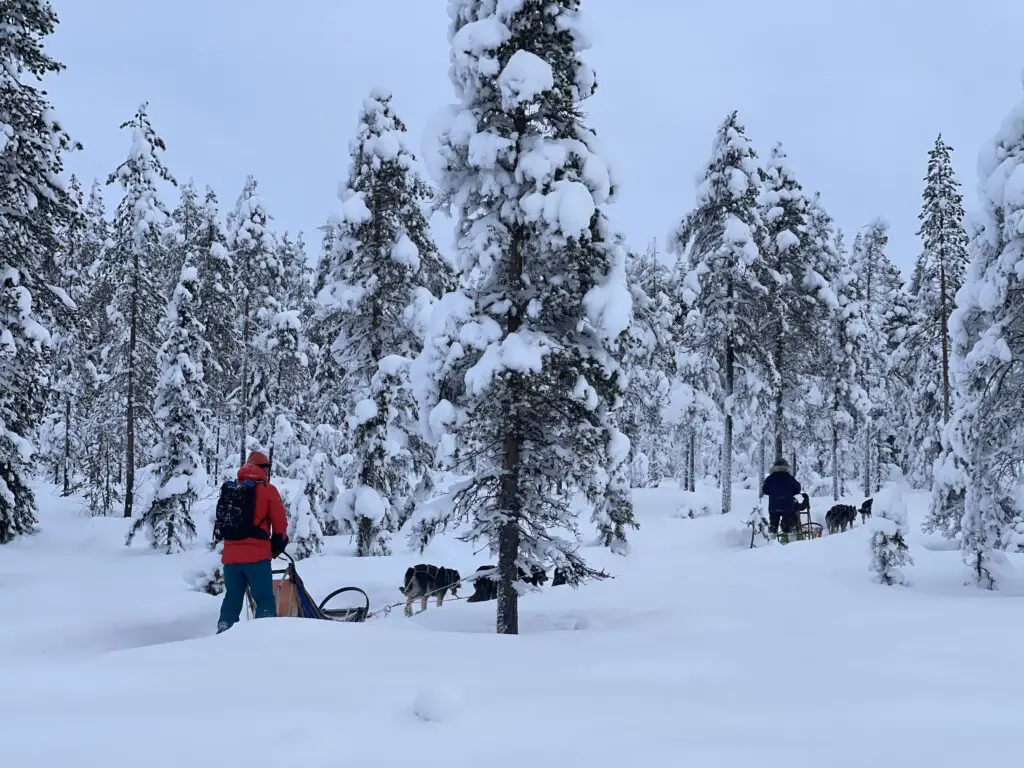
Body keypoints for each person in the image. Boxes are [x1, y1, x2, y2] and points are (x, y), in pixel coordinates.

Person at [217, 450, 289, 633]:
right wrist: (276, 546)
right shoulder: (267, 491)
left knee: (232, 599)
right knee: (264, 599)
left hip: (231, 559)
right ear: (264, 469)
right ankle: (264, 638)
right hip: (257, 557)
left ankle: (221, 636)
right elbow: (280, 524)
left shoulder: (233, 489)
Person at [760, 457, 802, 543]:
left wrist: (773, 493)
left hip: (773, 507)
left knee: (773, 526)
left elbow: (764, 490)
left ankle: (770, 545)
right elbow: (798, 489)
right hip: (787, 506)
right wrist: (790, 492)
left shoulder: (770, 478)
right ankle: (792, 545)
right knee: (790, 526)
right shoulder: (790, 478)